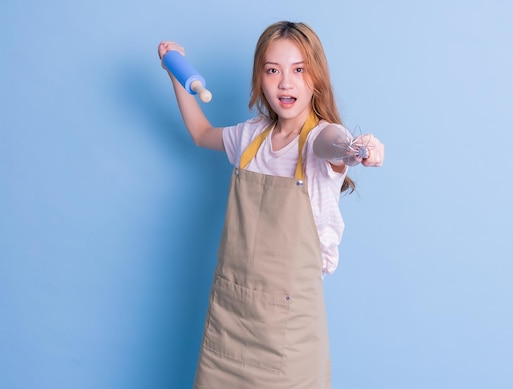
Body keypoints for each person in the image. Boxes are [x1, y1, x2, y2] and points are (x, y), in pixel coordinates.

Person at [158, 21, 384, 389]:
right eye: (272, 70)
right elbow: (200, 133)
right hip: (230, 322)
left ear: (316, 78)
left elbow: (335, 143)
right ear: (259, 78)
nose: (285, 82)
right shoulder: (251, 137)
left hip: (288, 335)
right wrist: (175, 72)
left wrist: (357, 150)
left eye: (299, 70)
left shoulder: (318, 141)